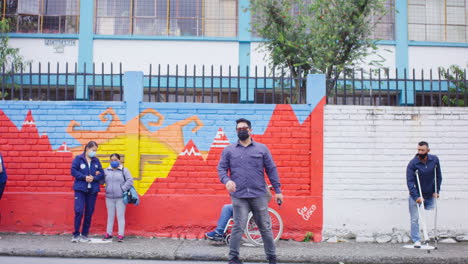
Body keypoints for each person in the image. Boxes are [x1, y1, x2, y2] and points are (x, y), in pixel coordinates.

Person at [218, 118, 283, 264]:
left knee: (265, 228)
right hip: (239, 196)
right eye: (239, 129)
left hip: (258, 194)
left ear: (250, 130)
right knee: (238, 227)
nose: (242, 130)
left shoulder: (261, 149)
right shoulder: (229, 150)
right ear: (236, 131)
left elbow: (271, 169)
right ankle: (233, 259)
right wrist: (227, 181)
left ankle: (272, 259)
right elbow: (221, 168)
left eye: (244, 128)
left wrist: (278, 190)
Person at [406, 141, 442, 248]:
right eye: (418, 150)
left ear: (428, 151)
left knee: (429, 214)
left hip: (430, 193)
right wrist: (416, 196)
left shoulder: (434, 160)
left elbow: (438, 176)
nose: (420, 152)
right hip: (416, 194)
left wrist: (437, 191)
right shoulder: (413, 164)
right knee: (415, 218)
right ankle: (416, 240)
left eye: (422, 150)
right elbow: (410, 181)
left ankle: (430, 235)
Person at [71, 141, 104, 243]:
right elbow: (73, 171)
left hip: (92, 190)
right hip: (80, 189)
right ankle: (76, 234)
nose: (94, 152)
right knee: (79, 211)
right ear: (87, 148)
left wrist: (94, 178)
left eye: (95, 151)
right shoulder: (78, 159)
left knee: (89, 213)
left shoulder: (96, 161)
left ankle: (84, 234)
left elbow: (101, 173)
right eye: (93, 150)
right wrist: (84, 177)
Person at [103, 153, 133, 242]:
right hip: (109, 197)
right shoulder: (106, 171)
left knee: (120, 216)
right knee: (110, 216)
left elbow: (130, 180)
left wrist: (122, 189)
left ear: (119, 160)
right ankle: (109, 234)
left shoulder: (124, 170)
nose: (114, 162)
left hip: (120, 198)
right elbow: (101, 181)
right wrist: (98, 175)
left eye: (115, 160)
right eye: (112, 160)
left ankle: (121, 235)